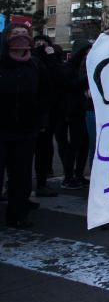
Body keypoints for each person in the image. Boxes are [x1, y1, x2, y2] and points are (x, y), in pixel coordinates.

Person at [1, 25, 48, 228]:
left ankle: (18, 214)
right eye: (15, 35)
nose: (20, 38)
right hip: (2, 129)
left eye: (24, 35)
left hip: (25, 130)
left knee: (20, 175)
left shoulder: (36, 65)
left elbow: (46, 93)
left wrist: (40, 121)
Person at [33, 36, 66, 198]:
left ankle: (41, 182)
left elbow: (58, 77)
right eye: (37, 44)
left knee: (44, 149)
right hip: (29, 114)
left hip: (49, 113)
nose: (40, 46)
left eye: (43, 44)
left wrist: (51, 57)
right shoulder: (29, 62)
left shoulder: (53, 62)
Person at [62, 41, 92, 190]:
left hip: (87, 109)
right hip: (75, 111)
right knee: (74, 144)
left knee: (85, 145)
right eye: (87, 52)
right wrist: (88, 76)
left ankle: (79, 174)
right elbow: (72, 85)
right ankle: (68, 176)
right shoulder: (70, 68)